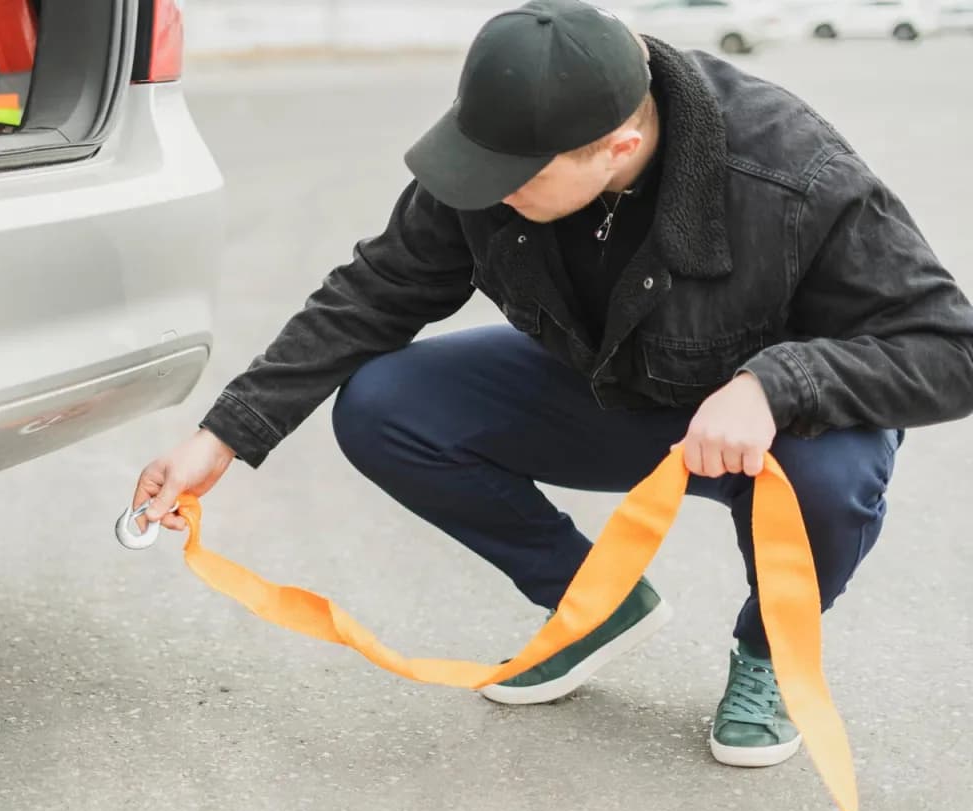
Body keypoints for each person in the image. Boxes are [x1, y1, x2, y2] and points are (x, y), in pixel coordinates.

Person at [130, 0, 973, 767]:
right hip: (612, 391)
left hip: (771, 430)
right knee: (386, 407)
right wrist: (224, 435)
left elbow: (950, 348)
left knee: (835, 476)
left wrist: (774, 385)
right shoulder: (499, 152)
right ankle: (592, 606)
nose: (489, 192)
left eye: (519, 180)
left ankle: (770, 651)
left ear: (620, 147)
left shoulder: (791, 173)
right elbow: (375, 290)